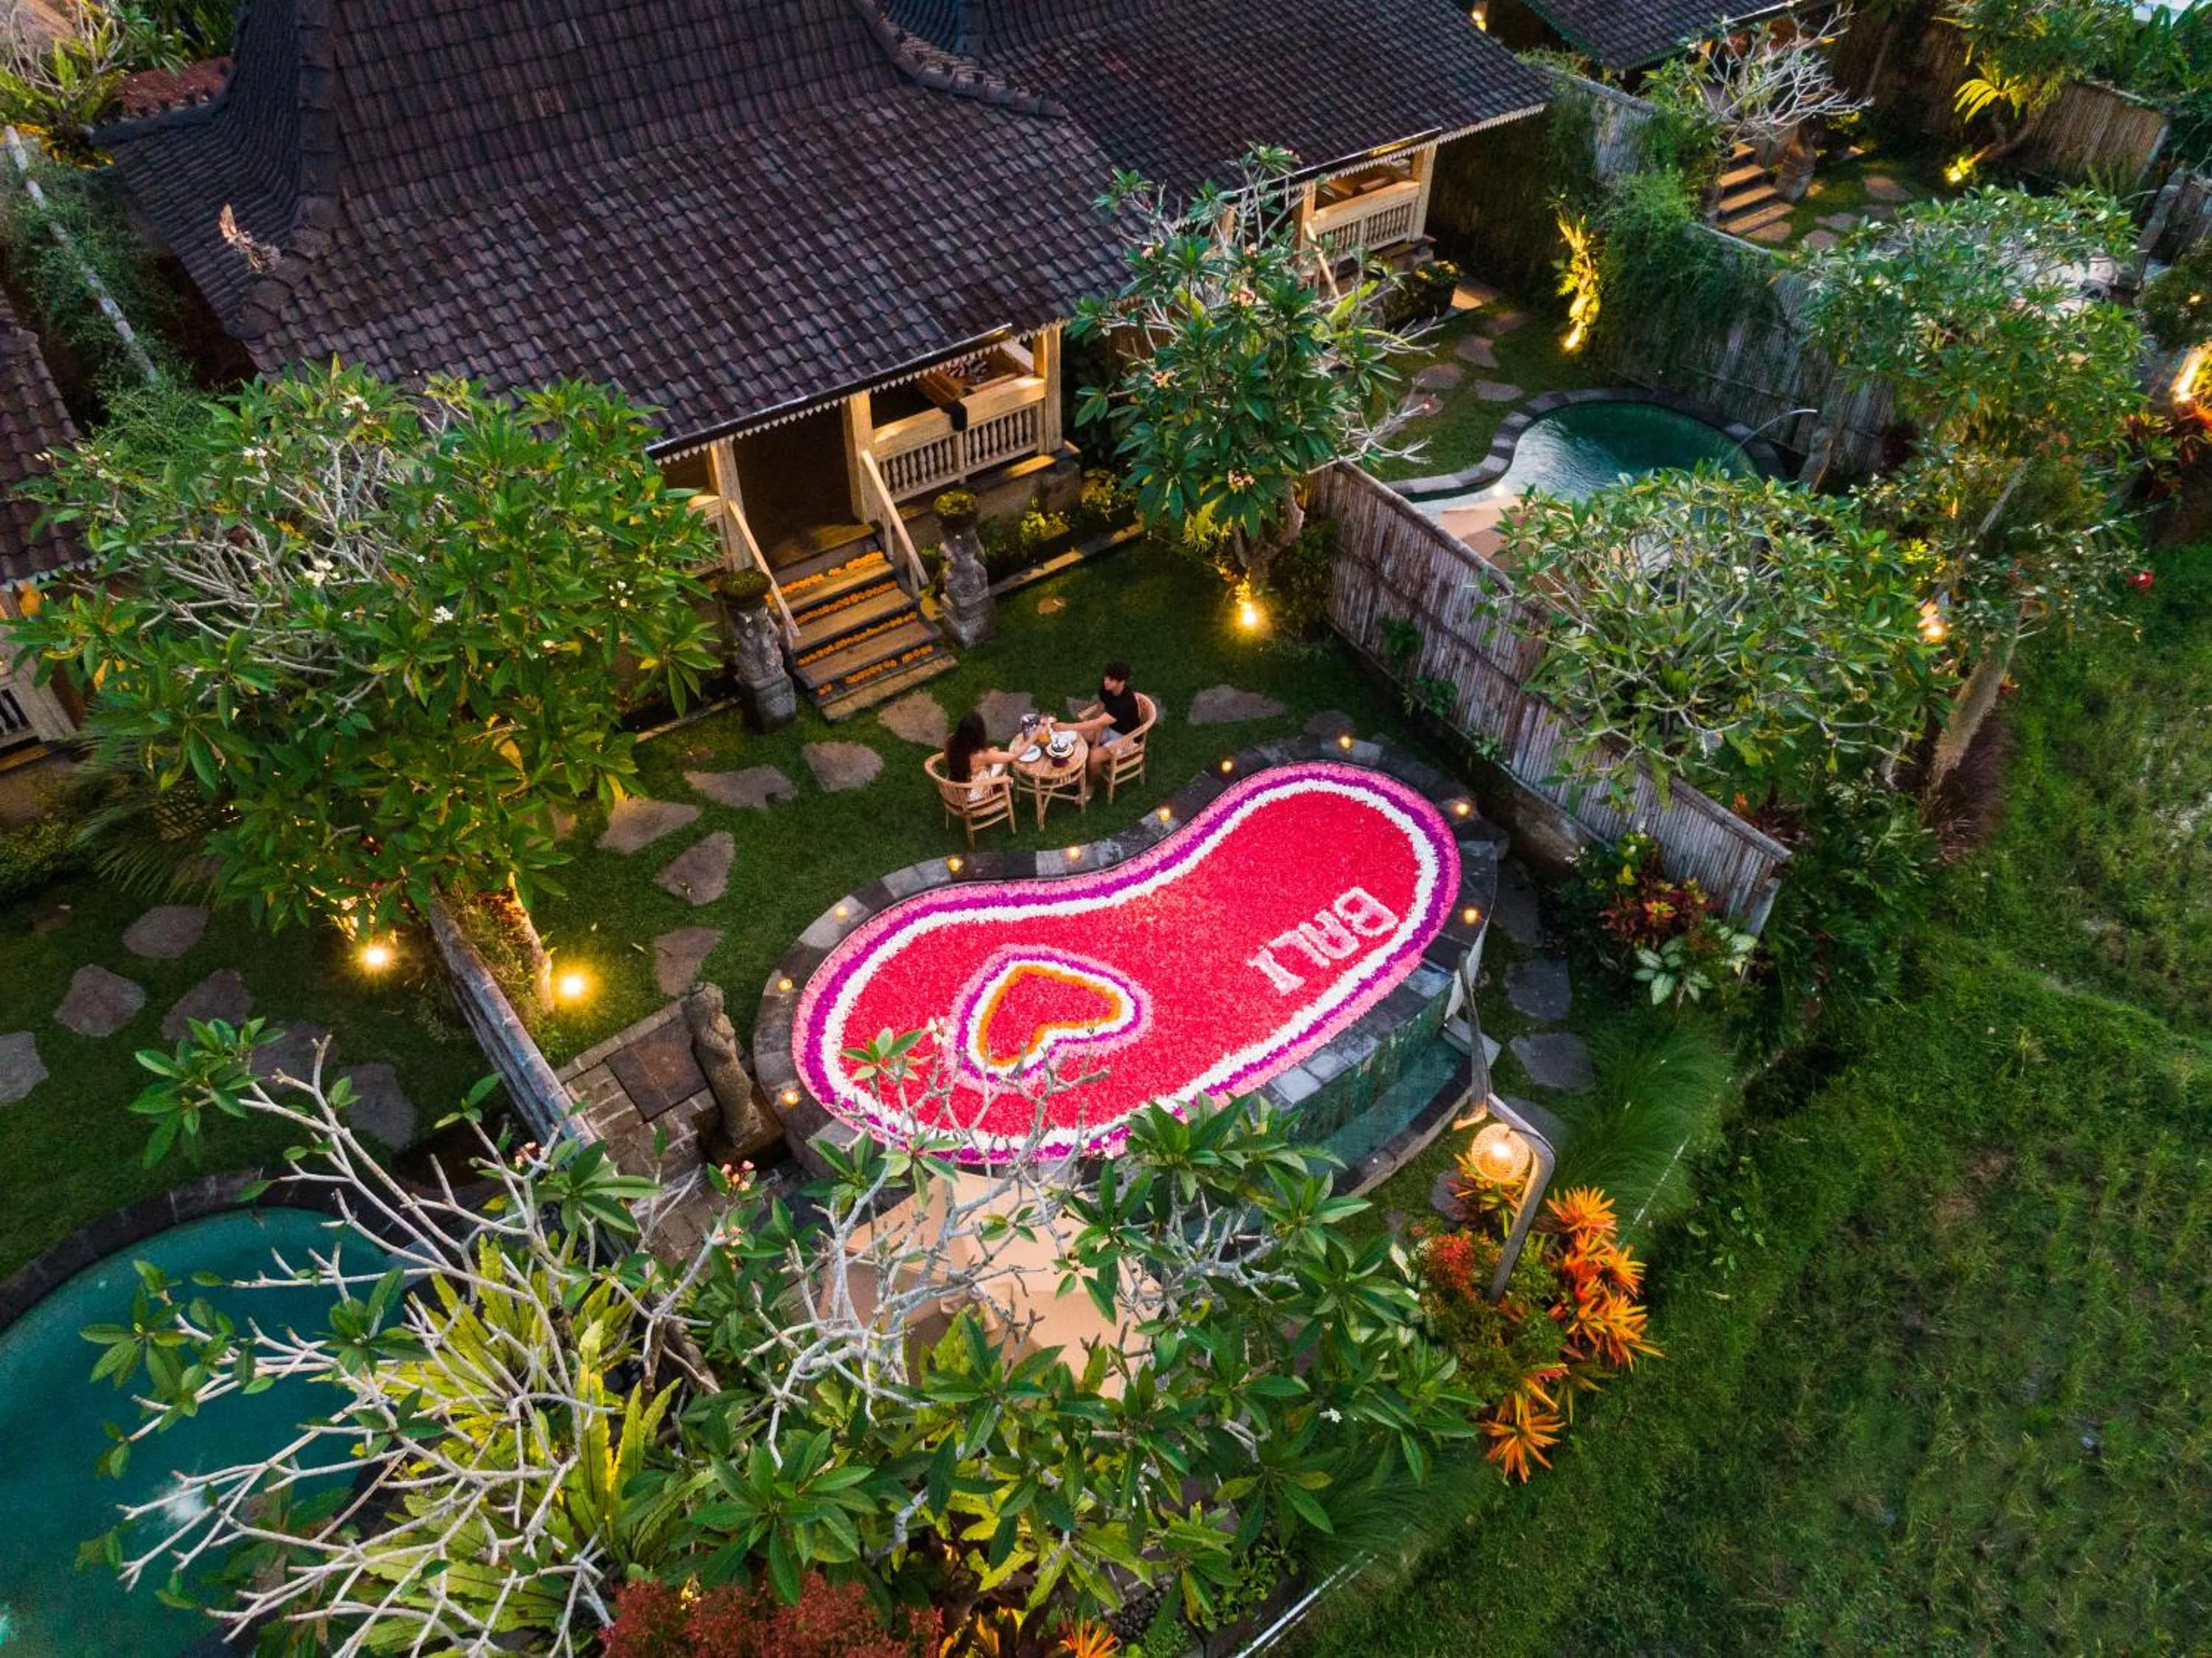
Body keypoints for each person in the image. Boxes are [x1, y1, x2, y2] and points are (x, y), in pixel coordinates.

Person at [1058, 659, 1144, 786]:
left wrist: (1066, 726)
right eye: (1106, 677)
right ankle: (1074, 770)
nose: (1106, 681)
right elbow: (1100, 712)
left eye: (1111, 679)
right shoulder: (1106, 688)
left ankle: (1090, 785)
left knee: (1093, 757)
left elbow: (1098, 723)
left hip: (1127, 738)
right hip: (1110, 727)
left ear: (1122, 682)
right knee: (1075, 735)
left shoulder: (1126, 703)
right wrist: (1096, 742)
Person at [944, 710, 1017, 802]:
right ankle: (1006, 782)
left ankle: (989, 771)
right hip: (969, 793)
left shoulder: (951, 740)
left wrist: (975, 768)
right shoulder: (980, 755)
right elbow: (1012, 756)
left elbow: (946, 759)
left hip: (952, 784)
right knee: (1002, 764)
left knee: (994, 751)